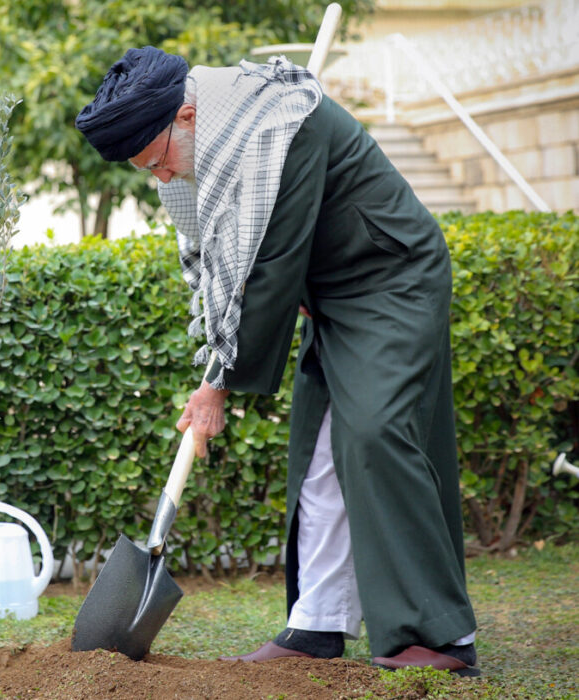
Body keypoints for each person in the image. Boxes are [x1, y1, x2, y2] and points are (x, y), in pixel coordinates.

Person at [75, 47, 479, 676]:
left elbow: (270, 268)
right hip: (330, 295)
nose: (160, 179)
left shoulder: (281, 127)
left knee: (374, 434)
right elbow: (227, 260)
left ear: (186, 116)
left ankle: (437, 635)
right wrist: (219, 362)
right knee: (319, 457)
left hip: (391, 277)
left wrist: (218, 387)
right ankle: (316, 625)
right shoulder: (215, 140)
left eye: (157, 161)